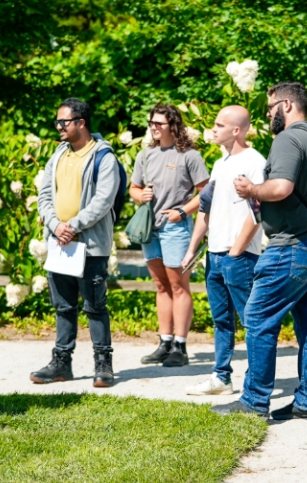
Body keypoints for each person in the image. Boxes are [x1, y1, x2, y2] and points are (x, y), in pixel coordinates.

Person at [212, 82, 307, 420]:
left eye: (270, 108)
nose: (267, 115)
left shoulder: (288, 139)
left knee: (257, 317)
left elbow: (281, 187)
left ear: (287, 105)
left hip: (292, 244)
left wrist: (251, 189)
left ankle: (254, 401)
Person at [33, 98, 120, 387]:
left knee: (95, 306)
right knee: (63, 306)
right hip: (60, 243)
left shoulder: (103, 157)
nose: (58, 127)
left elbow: (103, 201)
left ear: (81, 123)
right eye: (57, 122)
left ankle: (103, 365)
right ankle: (61, 363)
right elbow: (45, 195)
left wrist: (72, 226)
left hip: (90, 246)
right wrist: (56, 225)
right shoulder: (58, 154)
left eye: (64, 122)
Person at [181, 106, 265, 395]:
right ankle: (221, 378)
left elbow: (257, 212)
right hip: (214, 255)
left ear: (236, 130)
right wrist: (192, 248)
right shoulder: (220, 163)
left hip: (239, 256)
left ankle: (255, 383)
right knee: (221, 321)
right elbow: (206, 209)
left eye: (219, 125)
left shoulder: (255, 162)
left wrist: (235, 252)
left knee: (251, 321)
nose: (213, 129)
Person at [133, 104, 210, 368]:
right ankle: (164, 343)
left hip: (175, 227)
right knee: (161, 285)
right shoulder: (145, 155)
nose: (153, 127)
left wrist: (182, 211)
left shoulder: (189, 155)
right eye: (151, 122)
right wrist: (139, 195)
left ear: (173, 126)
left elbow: (206, 191)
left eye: (159, 123)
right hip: (150, 228)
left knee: (178, 285)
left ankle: (180, 346)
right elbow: (134, 188)